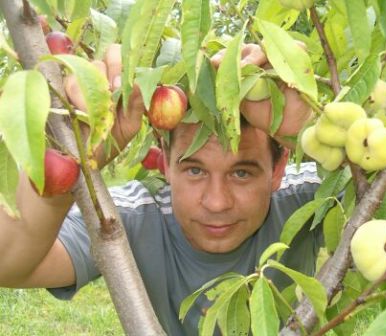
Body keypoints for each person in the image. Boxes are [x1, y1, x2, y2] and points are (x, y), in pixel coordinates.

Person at [0, 43, 323, 335]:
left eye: (241, 173)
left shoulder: (307, 197)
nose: (216, 202)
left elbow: (371, 195)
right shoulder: (129, 218)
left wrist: (309, 134)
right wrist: (69, 167)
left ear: (279, 168)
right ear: (165, 163)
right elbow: (8, 265)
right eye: (194, 170)